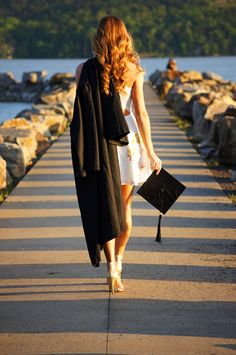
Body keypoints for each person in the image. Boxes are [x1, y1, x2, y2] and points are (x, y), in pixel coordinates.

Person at [72, 16, 162, 293]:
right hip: (128, 144)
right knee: (124, 208)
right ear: (125, 36)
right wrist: (151, 151)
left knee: (105, 206)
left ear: (99, 35)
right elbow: (141, 113)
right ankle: (120, 263)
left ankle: (111, 268)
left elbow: (85, 114)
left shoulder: (83, 69)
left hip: (99, 146)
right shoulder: (133, 69)